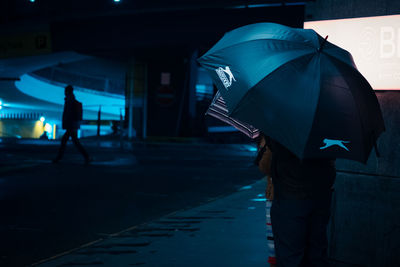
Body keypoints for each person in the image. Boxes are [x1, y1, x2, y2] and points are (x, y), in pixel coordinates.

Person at [258, 133, 335, 267]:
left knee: (290, 256)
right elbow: (330, 168)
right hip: (319, 198)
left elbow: (265, 165)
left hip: (289, 199)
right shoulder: (326, 127)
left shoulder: (280, 127)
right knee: (316, 254)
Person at [53, 85, 91, 165]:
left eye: (65, 91)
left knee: (68, 141)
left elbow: (69, 114)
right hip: (72, 125)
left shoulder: (70, 101)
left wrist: (68, 123)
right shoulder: (70, 100)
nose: (64, 93)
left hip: (71, 125)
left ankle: (59, 157)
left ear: (67, 91)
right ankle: (86, 157)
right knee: (73, 142)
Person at [255, 134, 276, 267]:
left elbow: (264, 167)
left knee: (274, 242)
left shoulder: (271, 133)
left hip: (277, 195)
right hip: (314, 195)